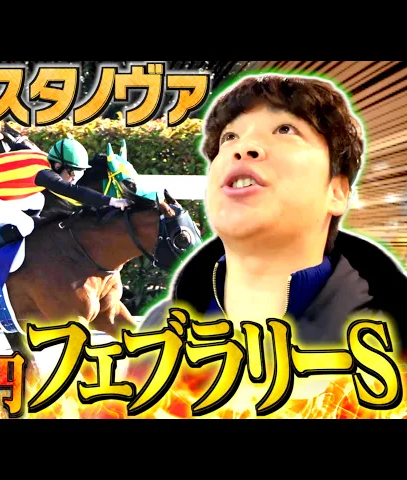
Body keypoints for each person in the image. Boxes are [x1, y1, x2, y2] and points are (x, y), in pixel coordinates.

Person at [139, 73, 407, 353]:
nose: (243, 148)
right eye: (230, 137)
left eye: (285, 130)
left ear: (337, 192)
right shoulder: (158, 329)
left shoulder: (392, 345)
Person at [0, 136, 130, 277]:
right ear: (58, 165)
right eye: (72, 173)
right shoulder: (44, 174)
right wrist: (111, 201)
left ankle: (13, 237)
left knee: (37, 200)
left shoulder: (47, 161)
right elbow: (72, 191)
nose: (73, 178)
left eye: (78, 173)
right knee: (25, 224)